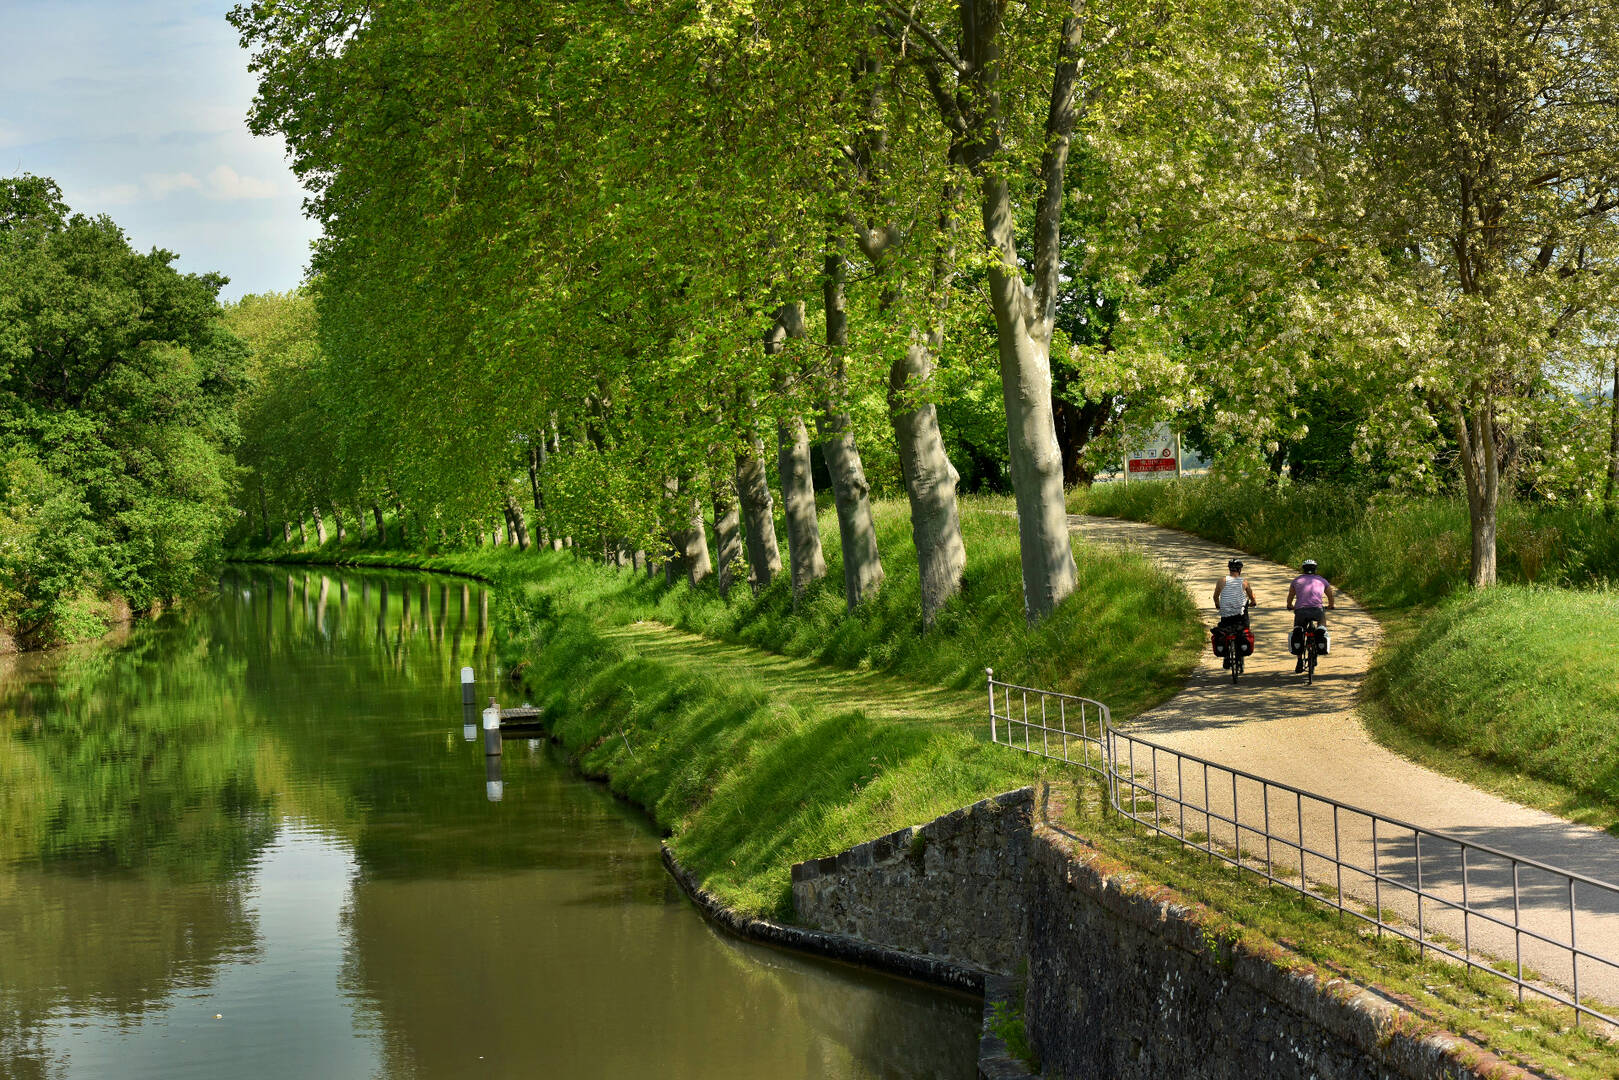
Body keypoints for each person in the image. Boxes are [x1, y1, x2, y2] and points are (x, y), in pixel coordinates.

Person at [1285, 559, 1336, 673]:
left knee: (1298, 630)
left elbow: (1291, 596)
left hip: (1301, 611)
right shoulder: (1322, 580)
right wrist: (1331, 605)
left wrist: (1289, 605)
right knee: (1321, 621)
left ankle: (1299, 660)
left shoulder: (1297, 580)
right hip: (1317, 609)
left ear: (1303, 569)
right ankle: (1321, 629)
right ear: (1315, 569)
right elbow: (1330, 595)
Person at [1212, 559, 1257, 668]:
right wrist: (1253, 602)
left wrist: (1218, 604)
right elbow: (1251, 596)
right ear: (1240, 570)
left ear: (1229, 569)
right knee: (1244, 628)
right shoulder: (1244, 582)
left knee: (1225, 631)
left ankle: (1226, 657)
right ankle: (1240, 655)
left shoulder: (1221, 581)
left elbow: (1215, 596)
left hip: (1225, 614)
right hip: (1239, 616)